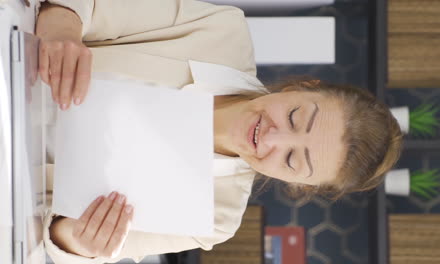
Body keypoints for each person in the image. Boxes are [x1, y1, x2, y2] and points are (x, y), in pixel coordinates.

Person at [36, 0, 403, 263]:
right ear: (304, 86)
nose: (272, 139)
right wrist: (64, 27)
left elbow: (57, 238)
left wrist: (83, 241)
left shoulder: (215, 220)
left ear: (298, 186)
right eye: (294, 117)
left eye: (292, 160)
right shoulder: (220, 31)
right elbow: (91, 7)